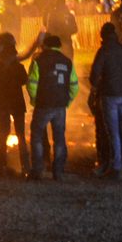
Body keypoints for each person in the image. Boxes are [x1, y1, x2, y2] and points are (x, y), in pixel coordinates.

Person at [27, 33, 79, 180]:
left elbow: (31, 84)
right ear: (59, 46)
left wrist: (35, 100)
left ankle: (37, 170)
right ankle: (58, 171)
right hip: (60, 106)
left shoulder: (38, 61)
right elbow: (74, 86)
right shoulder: (67, 62)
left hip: (43, 105)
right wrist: (67, 101)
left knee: (37, 136)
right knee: (59, 138)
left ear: (45, 45)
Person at [90, 21, 122, 178]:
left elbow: (94, 75)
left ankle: (116, 167)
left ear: (103, 35)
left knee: (114, 132)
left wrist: (97, 86)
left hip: (110, 95)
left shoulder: (104, 51)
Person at [0, 32, 28, 178]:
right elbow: (24, 80)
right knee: (20, 134)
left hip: (2, 103)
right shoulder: (17, 67)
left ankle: (0, 166)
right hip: (16, 104)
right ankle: (25, 166)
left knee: (3, 133)